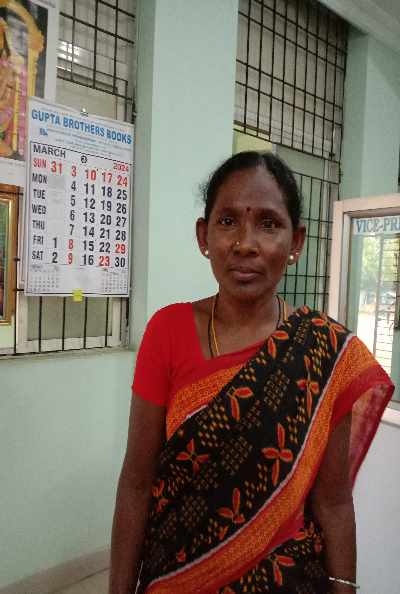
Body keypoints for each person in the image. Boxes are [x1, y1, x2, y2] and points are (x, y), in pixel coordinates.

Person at [109, 151, 393, 594]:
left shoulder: (323, 351)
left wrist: (345, 587)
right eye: (227, 221)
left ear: (296, 242)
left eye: (268, 224)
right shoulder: (168, 331)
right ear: (203, 235)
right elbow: (136, 481)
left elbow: (334, 503)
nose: (245, 243)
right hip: (177, 578)